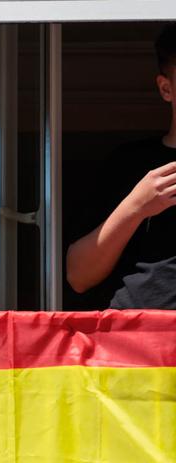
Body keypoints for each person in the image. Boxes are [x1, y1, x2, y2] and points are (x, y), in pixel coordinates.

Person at [66, 24, 176, 309]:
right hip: (136, 342)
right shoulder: (129, 164)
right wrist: (137, 205)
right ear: (166, 88)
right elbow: (78, 276)